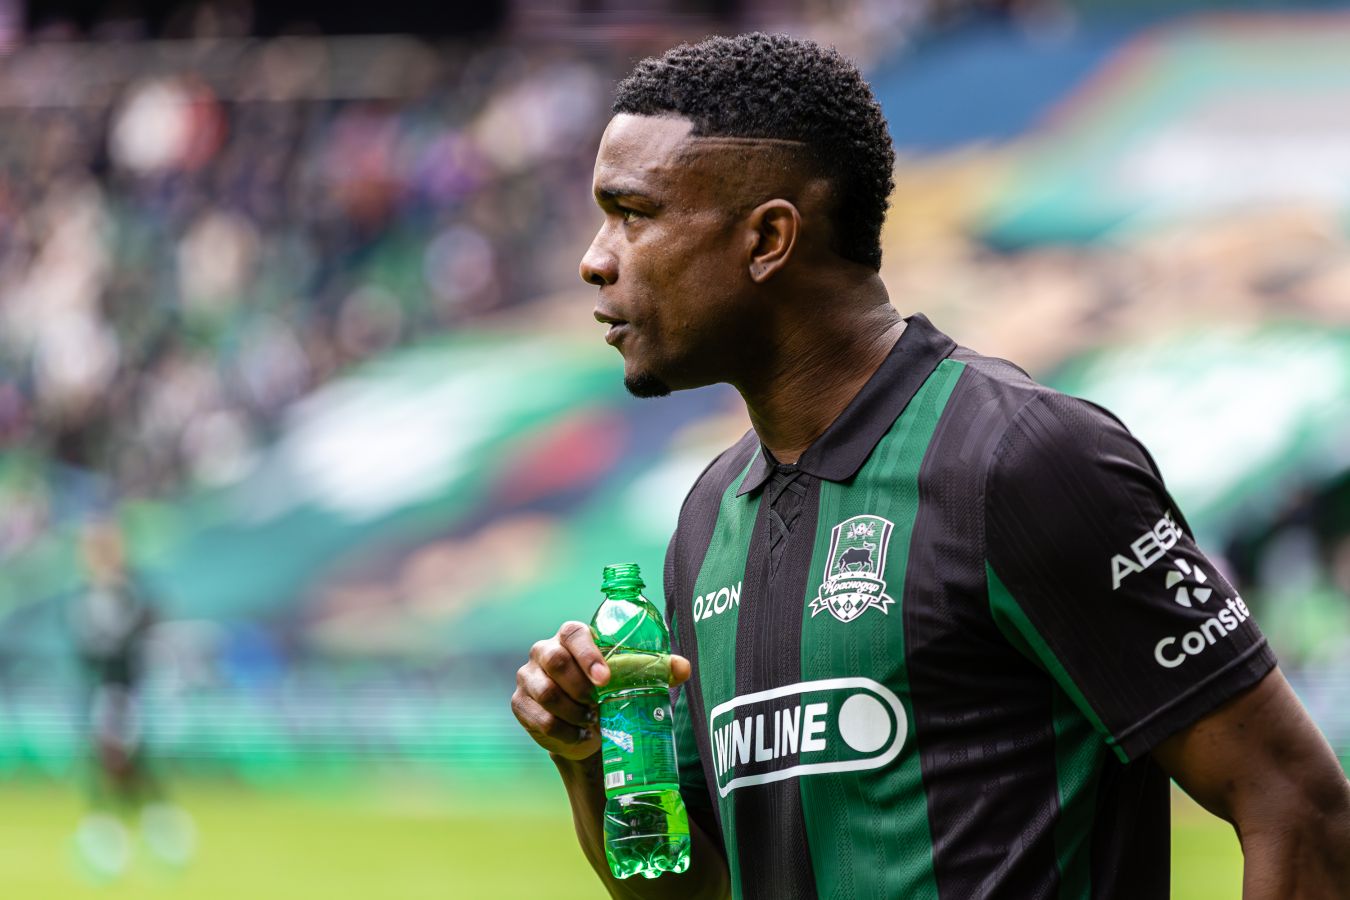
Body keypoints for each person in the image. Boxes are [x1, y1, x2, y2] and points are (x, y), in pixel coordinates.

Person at [510, 32, 1350, 899]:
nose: (595, 258)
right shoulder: (709, 520)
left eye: (633, 214)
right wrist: (586, 756)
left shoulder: (1024, 461)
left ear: (767, 239)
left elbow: (1302, 808)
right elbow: (697, 890)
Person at [68, 518, 194, 878]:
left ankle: (136, 834)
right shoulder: (85, 594)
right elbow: (86, 649)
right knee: (113, 766)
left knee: (121, 765)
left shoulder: (129, 591)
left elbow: (130, 640)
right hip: (101, 692)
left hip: (125, 691)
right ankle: (130, 834)